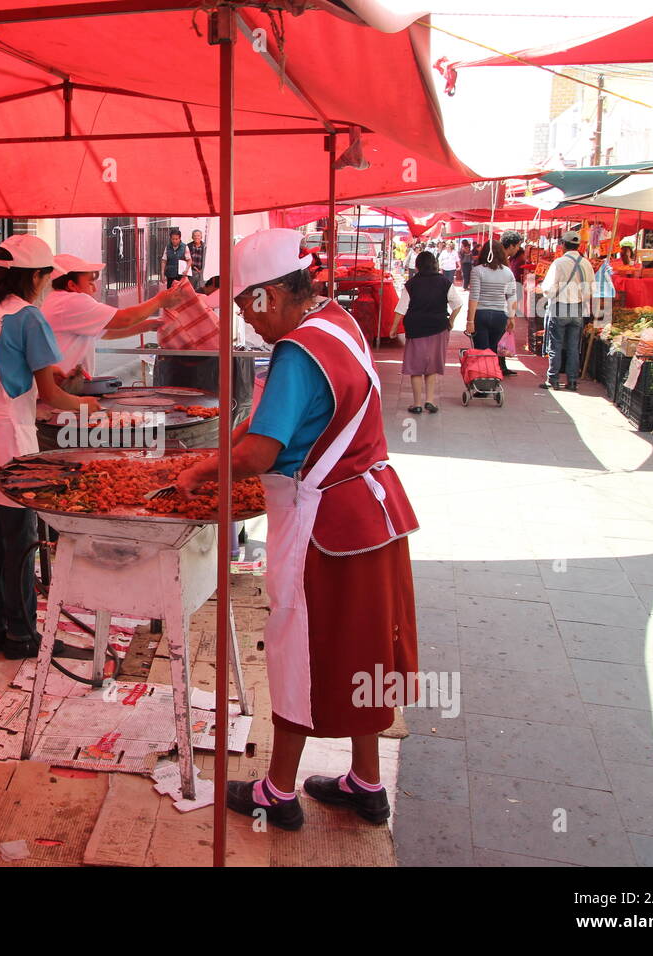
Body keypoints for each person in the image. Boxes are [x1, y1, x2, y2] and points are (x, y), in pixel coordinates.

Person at [174, 228, 419, 831]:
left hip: (325, 525)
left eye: (243, 306)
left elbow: (260, 452)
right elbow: (265, 429)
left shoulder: (295, 353)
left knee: (298, 649)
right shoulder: (337, 322)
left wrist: (200, 471)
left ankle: (277, 793)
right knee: (364, 649)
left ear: (268, 295)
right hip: (375, 513)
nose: (245, 321)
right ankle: (367, 781)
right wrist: (219, 449)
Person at [0, 235, 99, 660]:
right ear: (35, 276)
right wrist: (89, 405)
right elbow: (51, 397)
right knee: (19, 541)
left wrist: (61, 378)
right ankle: (22, 635)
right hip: (9, 437)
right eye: (44, 277)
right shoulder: (28, 316)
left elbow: (20, 370)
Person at [43, 253, 181, 375]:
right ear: (72, 285)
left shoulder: (56, 301)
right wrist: (159, 301)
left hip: (68, 388)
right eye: (90, 283)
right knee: (83, 406)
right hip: (63, 391)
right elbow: (125, 319)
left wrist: (150, 325)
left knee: (86, 405)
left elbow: (108, 331)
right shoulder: (71, 301)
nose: (95, 288)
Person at [390, 249, 461, 413]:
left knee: (415, 367)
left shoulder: (411, 284)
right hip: (439, 328)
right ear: (435, 264)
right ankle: (430, 400)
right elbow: (457, 304)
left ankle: (417, 404)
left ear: (417, 266)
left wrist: (393, 329)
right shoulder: (444, 282)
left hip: (416, 328)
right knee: (432, 366)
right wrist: (450, 321)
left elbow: (401, 308)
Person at [539, 229, 595, 390]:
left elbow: (549, 289)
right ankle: (572, 381)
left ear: (563, 245)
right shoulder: (586, 263)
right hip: (578, 309)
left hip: (560, 308)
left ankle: (553, 379)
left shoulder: (559, 263)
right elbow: (591, 289)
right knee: (573, 346)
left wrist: (549, 293)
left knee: (555, 345)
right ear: (578, 246)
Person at [467, 239, 519, 378]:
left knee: (482, 350)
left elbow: (474, 297)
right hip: (500, 316)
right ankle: (493, 379)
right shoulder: (508, 272)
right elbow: (512, 297)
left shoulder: (477, 271)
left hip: (481, 315)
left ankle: (484, 381)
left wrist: (470, 321)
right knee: (493, 349)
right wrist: (511, 317)